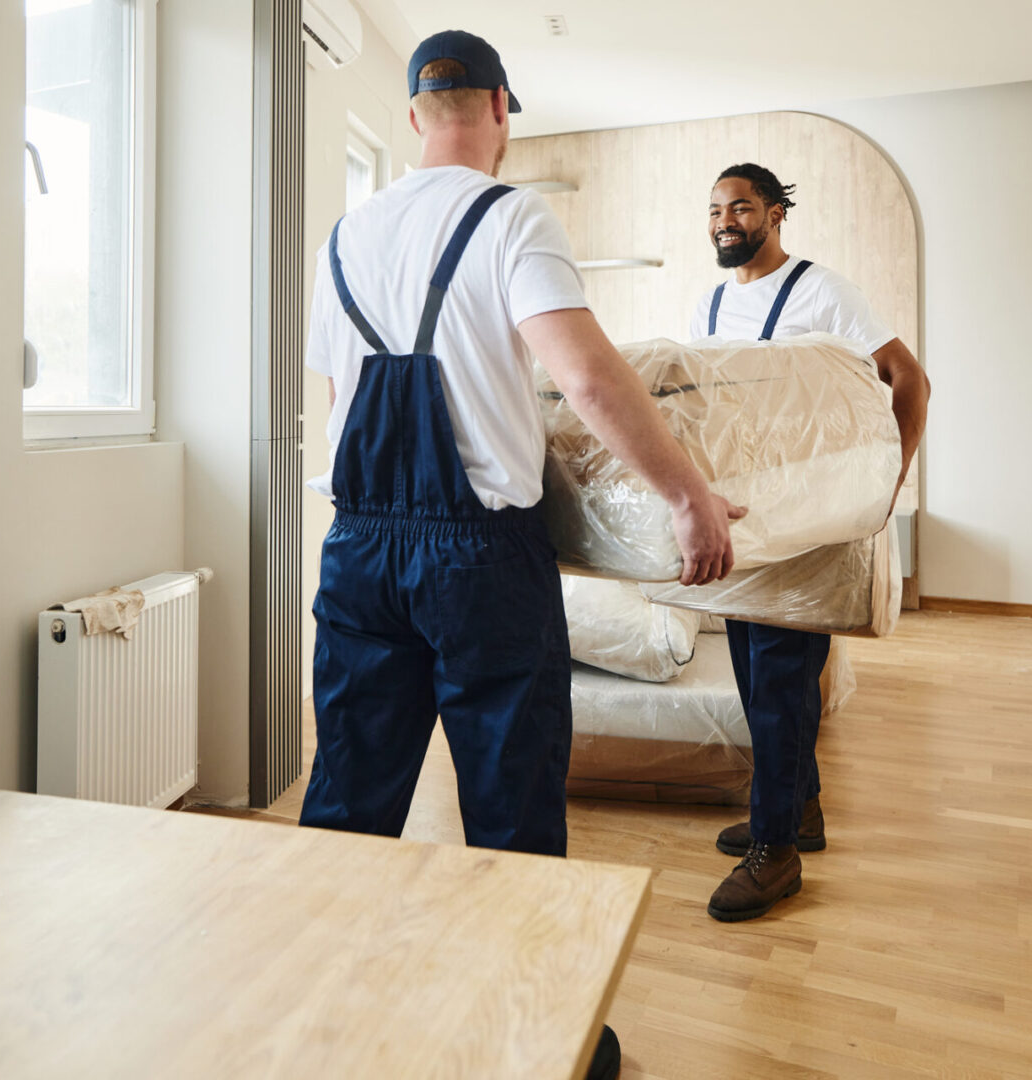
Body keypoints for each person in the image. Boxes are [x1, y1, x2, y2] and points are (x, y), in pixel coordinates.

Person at [299, 30, 744, 1079]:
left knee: (347, 801)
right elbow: (586, 379)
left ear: (414, 115)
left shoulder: (343, 238)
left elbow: (336, 405)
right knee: (507, 807)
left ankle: (322, 1018)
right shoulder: (511, 216)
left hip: (357, 547)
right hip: (477, 564)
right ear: (503, 107)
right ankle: (535, 1044)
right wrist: (687, 501)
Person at [690, 162, 930, 923]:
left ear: (775, 214)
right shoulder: (712, 302)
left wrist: (886, 485)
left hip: (810, 521)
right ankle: (799, 814)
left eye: (741, 208)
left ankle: (776, 855)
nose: (725, 221)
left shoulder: (824, 292)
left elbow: (909, 380)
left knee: (783, 687)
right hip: (745, 519)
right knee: (756, 683)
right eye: (715, 210)